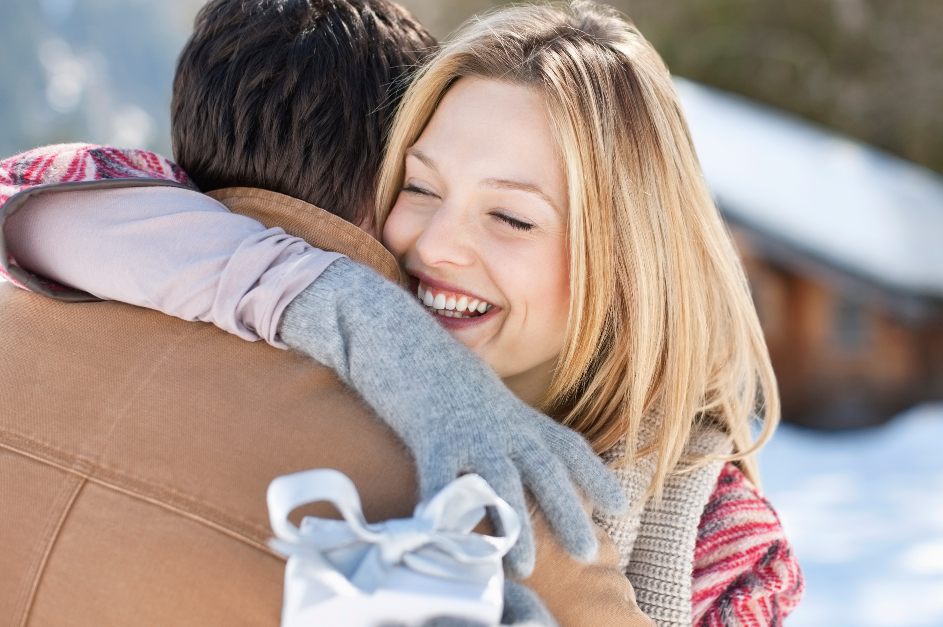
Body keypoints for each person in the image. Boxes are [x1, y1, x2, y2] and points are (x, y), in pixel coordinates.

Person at [2, 1, 804, 624]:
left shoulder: (720, 555)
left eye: (512, 218)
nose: (436, 245)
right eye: (418, 187)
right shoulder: (316, 381)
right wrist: (338, 301)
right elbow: (38, 189)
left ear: (630, 266)